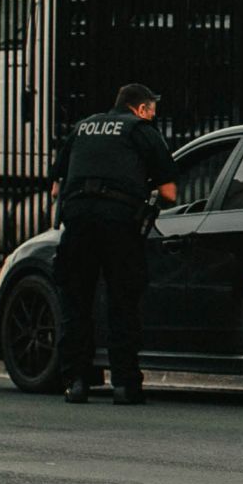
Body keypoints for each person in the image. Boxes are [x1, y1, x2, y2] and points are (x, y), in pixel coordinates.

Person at [49, 84, 178, 405]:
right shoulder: (142, 132)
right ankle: (124, 385)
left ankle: (76, 382)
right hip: (119, 224)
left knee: (76, 303)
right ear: (142, 109)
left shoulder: (83, 128)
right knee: (123, 302)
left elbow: (55, 189)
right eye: (153, 110)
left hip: (77, 221)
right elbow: (169, 193)